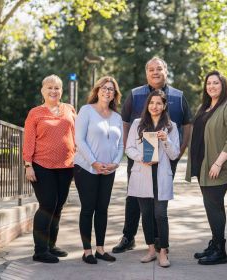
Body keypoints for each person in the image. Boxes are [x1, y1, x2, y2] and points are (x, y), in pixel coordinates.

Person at [112, 56, 192, 254]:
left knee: (159, 200)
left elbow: (187, 124)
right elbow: (125, 123)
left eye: (159, 69)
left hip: (166, 157)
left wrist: (180, 150)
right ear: (146, 73)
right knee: (135, 198)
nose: (155, 73)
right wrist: (131, 152)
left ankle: (158, 240)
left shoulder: (178, 96)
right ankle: (128, 236)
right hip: (140, 159)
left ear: (166, 71)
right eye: (151, 70)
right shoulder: (135, 94)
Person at [186, 70, 227, 265]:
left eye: (216, 83)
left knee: (214, 207)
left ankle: (220, 251)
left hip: (218, 166)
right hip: (204, 165)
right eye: (209, 83)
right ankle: (215, 244)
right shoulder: (205, 108)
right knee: (212, 206)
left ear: (223, 86)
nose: (211, 86)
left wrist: (218, 162)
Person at [23, 74, 76, 263]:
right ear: (42, 90)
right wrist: (28, 165)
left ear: (61, 91)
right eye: (49, 88)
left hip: (66, 165)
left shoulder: (69, 109)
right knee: (47, 205)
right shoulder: (35, 113)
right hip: (42, 165)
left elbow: (75, 135)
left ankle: (51, 245)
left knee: (58, 206)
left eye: (57, 88)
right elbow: (28, 140)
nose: (53, 91)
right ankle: (40, 251)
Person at [125, 90, 180, 267]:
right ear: (147, 105)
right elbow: (129, 149)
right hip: (142, 174)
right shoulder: (137, 124)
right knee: (147, 214)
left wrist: (166, 140)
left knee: (160, 215)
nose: (154, 106)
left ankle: (163, 251)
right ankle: (150, 250)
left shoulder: (171, 126)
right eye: (151, 103)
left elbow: (174, 154)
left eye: (158, 103)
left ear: (164, 106)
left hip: (161, 176)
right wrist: (142, 158)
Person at [73, 76, 123, 264]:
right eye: (104, 87)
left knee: (102, 209)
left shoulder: (117, 117)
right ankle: (87, 251)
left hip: (109, 170)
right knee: (88, 209)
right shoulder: (86, 111)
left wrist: (116, 163)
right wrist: (94, 162)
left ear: (114, 94)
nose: (107, 91)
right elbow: (79, 140)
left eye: (111, 89)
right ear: (97, 90)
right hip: (86, 168)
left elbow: (120, 146)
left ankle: (100, 249)